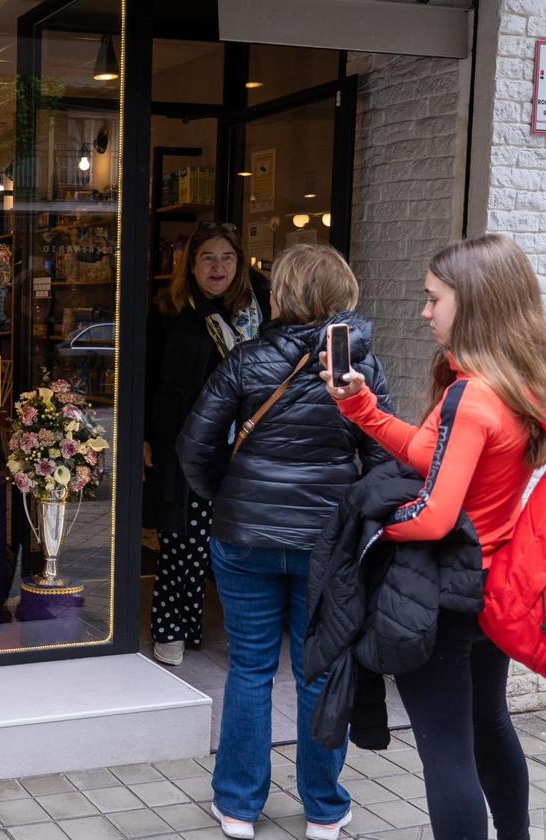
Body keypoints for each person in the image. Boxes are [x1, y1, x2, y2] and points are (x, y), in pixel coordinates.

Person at [320, 233, 546, 840]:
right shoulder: (529, 383)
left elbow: (432, 514)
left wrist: (371, 530)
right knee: (489, 727)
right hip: (492, 590)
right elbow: (435, 456)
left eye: (434, 298)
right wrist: (363, 407)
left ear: (474, 302)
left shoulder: (470, 397)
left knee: (447, 753)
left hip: (442, 599)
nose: (424, 311)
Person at [177, 243, 391, 840]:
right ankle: (323, 809)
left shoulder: (247, 361)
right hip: (328, 540)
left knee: (250, 669)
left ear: (284, 295)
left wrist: (231, 497)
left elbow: (193, 447)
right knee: (318, 671)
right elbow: (386, 456)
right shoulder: (360, 368)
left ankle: (239, 807)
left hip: (245, 538)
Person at [143, 222, 270, 667]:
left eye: (227, 258)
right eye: (207, 258)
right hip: (185, 442)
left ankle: (220, 628)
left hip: (244, 446)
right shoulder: (170, 310)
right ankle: (172, 629)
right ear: (191, 265)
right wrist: (142, 435)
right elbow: (146, 375)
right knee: (181, 540)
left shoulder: (259, 313)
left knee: (236, 541)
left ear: (239, 263)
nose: (218, 267)